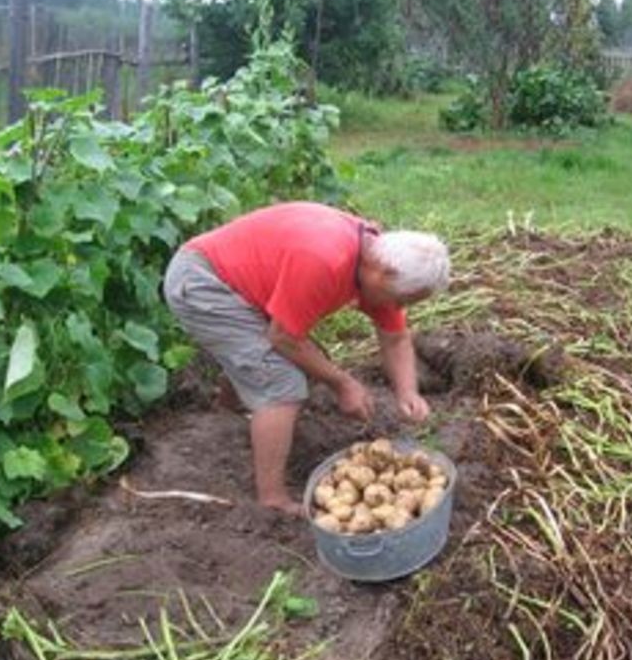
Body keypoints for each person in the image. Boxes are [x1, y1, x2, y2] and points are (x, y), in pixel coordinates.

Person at [163, 201, 450, 515]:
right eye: (401, 300)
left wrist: (408, 392)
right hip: (203, 283)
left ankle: (228, 412)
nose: (397, 308)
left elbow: (395, 337)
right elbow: (283, 337)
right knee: (283, 383)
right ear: (383, 274)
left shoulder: (375, 260)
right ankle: (272, 499)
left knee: (280, 358)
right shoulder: (325, 260)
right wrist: (343, 383)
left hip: (238, 283)